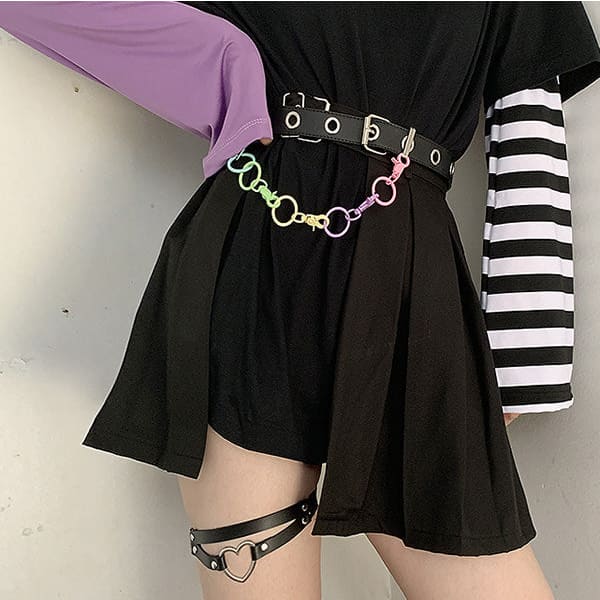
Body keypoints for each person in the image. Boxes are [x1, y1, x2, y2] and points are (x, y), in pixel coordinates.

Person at [2, 2, 599, 598]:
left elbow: (531, 136)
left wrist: (521, 363)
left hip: (411, 284)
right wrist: (227, 66)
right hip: (255, 264)